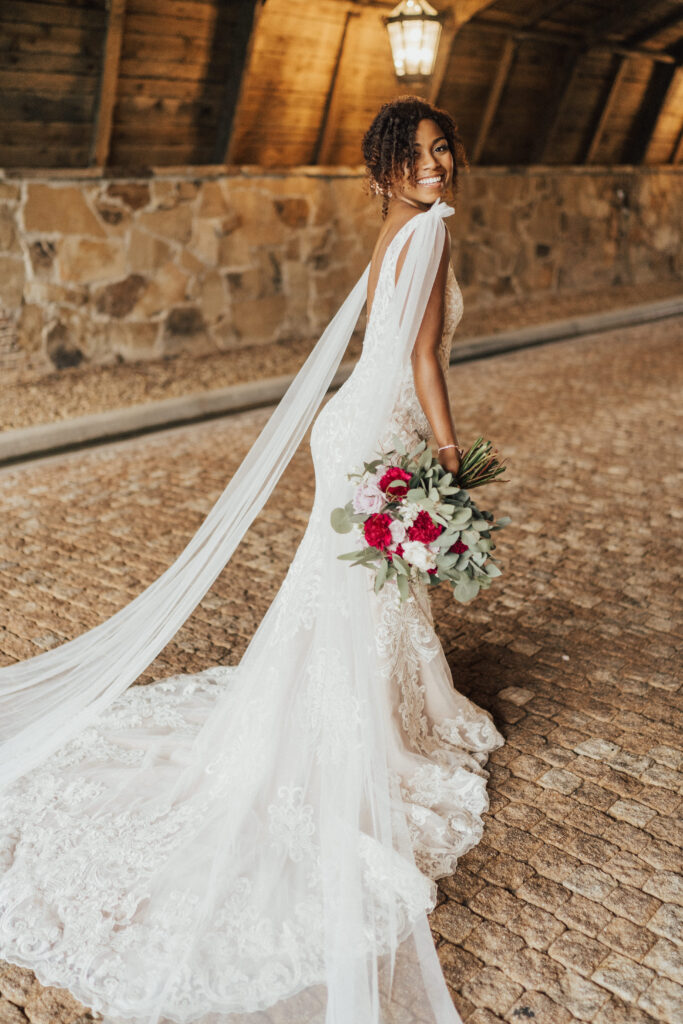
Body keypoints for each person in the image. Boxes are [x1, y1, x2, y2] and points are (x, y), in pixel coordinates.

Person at [0, 97, 503, 1024]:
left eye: (443, 150)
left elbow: (392, 346)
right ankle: (365, 724)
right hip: (376, 433)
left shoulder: (400, 225)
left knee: (348, 589)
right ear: (384, 171)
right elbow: (425, 357)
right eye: (417, 155)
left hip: (352, 426)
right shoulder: (427, 230)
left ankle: (358, 705)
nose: (436, 166)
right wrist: (448, 453)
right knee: (359, 591)